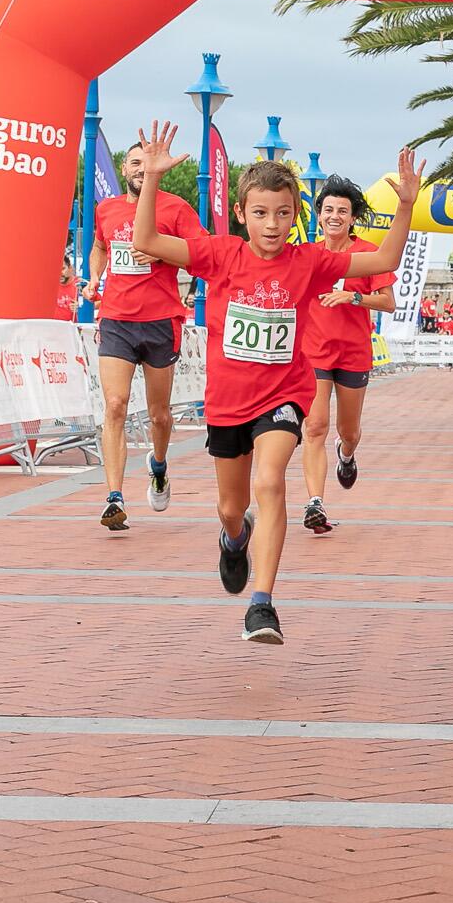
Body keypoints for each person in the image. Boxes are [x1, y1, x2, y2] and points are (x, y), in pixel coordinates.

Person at [130, 121, 421, 645]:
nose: (272, 225)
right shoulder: (220, 255)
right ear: (242, 214)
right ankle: (233, 541)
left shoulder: (309, 262)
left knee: (270, 483)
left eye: (283, 214)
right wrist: (151, 177)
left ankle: (262, 605)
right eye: (261, 213)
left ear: (296, 217)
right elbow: (146, 239)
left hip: (284, 396)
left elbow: (383, 260)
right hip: (226, 404)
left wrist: (405, 206)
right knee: (231, 507)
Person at [85, 140, 207, 529]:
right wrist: (94, 277)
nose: (141, 169)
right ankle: (114, 497)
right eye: (134, 162)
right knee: (116, 405)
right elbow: (99, 247)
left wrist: (162, 252)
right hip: (116, 319)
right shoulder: (107, 209)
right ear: (124, 169)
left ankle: (158, 465)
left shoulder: (175, 208)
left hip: (160, 320)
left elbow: (200, 251)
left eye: (147, 163)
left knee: (159, 415)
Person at [297, 178, 395, 534]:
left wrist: (353, 298)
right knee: (315, 426)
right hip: (314, 353)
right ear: (319, 216)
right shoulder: (308, 254)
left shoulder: (369, 253)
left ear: (352, 218)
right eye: (328, 210)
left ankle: (347, 454)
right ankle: (315, 503)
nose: (334, 216)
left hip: (353, 354)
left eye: (342, 211)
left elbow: (388, 302)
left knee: (348, 430)